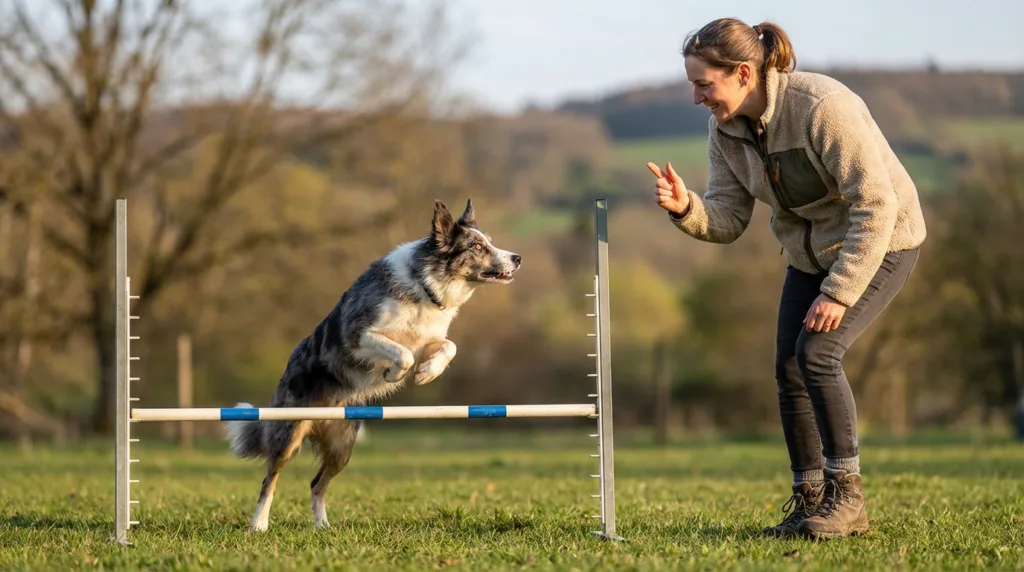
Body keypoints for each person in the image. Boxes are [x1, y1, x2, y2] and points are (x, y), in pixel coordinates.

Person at [648, 17, 927, 539]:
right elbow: (728, 219)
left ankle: (849, 501)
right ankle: (810, 500)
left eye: (704, 84)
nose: (696, 98)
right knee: (788, 367)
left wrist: (839, 292)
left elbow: (877, 204)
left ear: (744, 74)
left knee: (817, 354)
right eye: (693, 84)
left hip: (883, 241)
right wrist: (687, 207)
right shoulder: (725, 130)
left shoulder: (822, 107)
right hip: (809, 254)